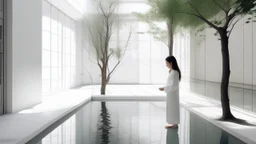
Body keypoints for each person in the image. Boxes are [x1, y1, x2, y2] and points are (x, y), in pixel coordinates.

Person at [159, 56, 181, 129]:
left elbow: (174, 85)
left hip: (173, 94)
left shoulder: (175, 72)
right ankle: (173, 123)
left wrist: (164, 88)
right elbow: (171, 83)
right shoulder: (172, 71)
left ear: (171, 62)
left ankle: (175, 124)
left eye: (167, 63)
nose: (166, 65)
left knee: (173, 108)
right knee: (171, 108)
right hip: (171, 93)